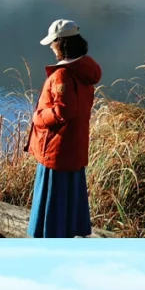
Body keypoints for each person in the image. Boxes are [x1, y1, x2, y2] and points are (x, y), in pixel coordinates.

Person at [26, 18, 102, 237]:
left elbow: (63, 111)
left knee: (52, 196)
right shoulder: (83, 69)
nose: (51, 46)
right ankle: (68, 232)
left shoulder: (64, 74)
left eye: (53, 42)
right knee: (69, 194)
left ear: (62, 43)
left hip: (57, 148)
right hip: (74, 145)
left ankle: (50, 238)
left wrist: (38, 117)